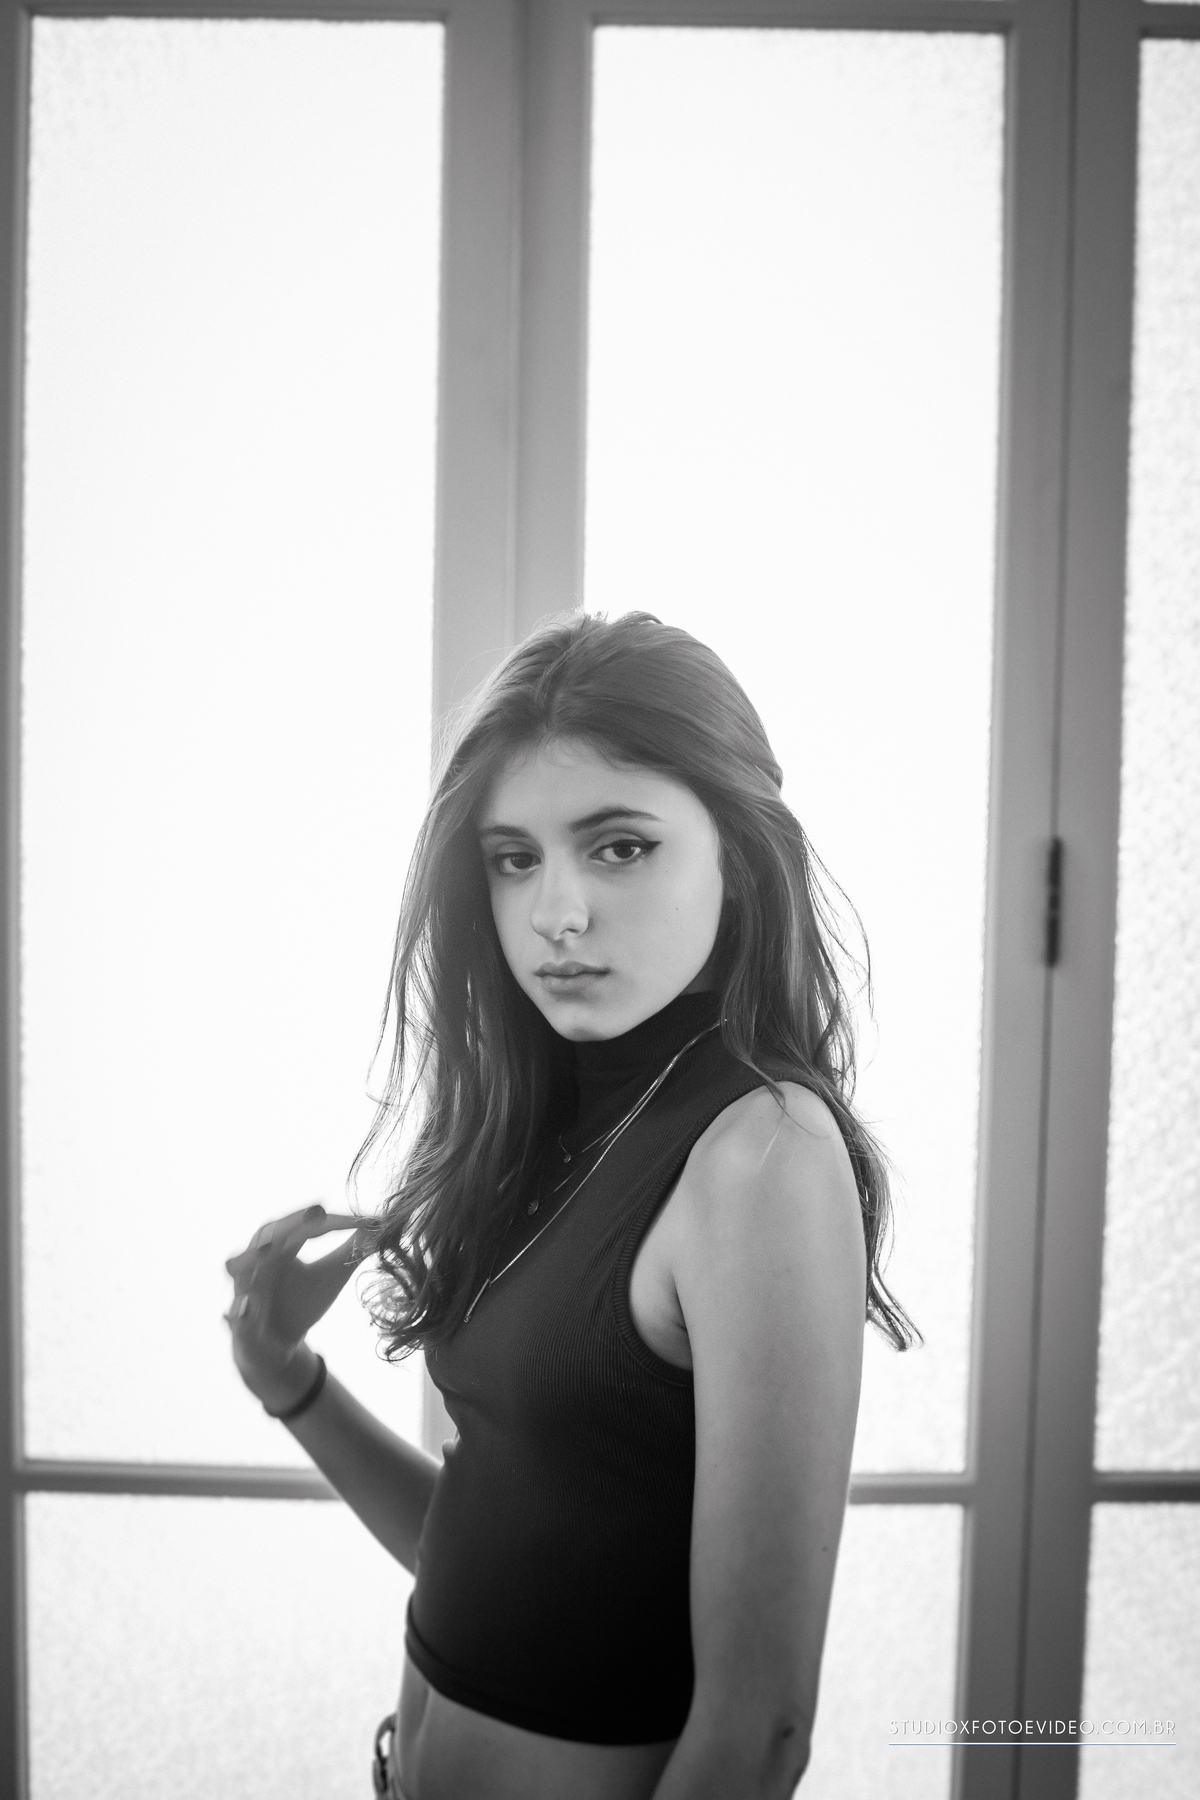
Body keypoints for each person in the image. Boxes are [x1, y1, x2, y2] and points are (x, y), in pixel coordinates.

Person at [225, 611, 915, 1800]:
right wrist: (286, 1380)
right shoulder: (551, 1123)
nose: (558, 913)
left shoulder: (762, 1157)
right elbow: (507, 1561)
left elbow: (758, 1731)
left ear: (740, 858)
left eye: (621, 847)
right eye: (515, 858)